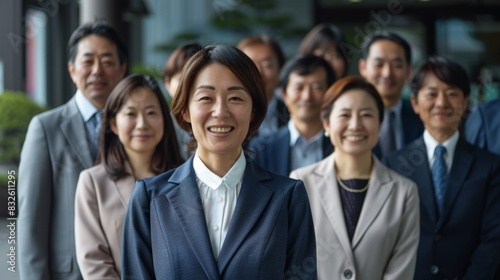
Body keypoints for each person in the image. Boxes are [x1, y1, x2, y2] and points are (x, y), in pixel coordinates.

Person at [121, 45, 317, 280]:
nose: (220, 111)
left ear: (253, 110)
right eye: (206, 98)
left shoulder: (287, 197)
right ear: (185, 110)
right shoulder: (150, 198)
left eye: (235, 98)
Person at [18, 21, 128, 280]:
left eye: (107, 60)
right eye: (88, 60)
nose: (97, 70)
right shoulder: (46, 128)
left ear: (122, 68)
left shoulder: (135, 127)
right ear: (71, 69)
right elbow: (29, 223)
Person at [290, 75, 420, 280]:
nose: (355, 125)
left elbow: (401, 271)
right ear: (326, 124)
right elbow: (293, 263)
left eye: (366, 115)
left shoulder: (404, 192)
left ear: (379, 123)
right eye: (345, 115)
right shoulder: (300, 182)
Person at [383, 56, 500, 280]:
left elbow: (493, 238)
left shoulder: (491, 166)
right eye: (432, 93)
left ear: (465, 103)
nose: (441, 103)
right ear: (416, 103)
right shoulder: (393, 165)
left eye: (452, 93)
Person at [74, 74, 183, 279]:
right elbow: (94, 261)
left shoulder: (184, 178)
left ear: (164, 120)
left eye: (151, 113)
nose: (142, 124)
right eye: (131, 114)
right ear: (114, 124)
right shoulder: (93, 183)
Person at [251, 54, 336, 177]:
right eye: (299, 88)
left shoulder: (341, 145)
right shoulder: (262, 150)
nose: (307, 96)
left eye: (317, 87)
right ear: (283, 93)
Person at [358, 32, 423, 158]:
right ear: (363, 67)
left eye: (396, 65)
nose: (387, 73)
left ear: (408, 70)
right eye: (379, 65)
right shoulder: (350, 119)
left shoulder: (421, 118)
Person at [237, 35, 289, 140]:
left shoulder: (292, 114)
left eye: (267, 65)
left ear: (280, 69)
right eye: (250, 65)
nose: (259, 73)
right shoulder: (229, 114)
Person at [162, 42, 203, 159]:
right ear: (167, 82)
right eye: (182, 79)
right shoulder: (159, 125)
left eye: (196, 79)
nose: (189, 87)